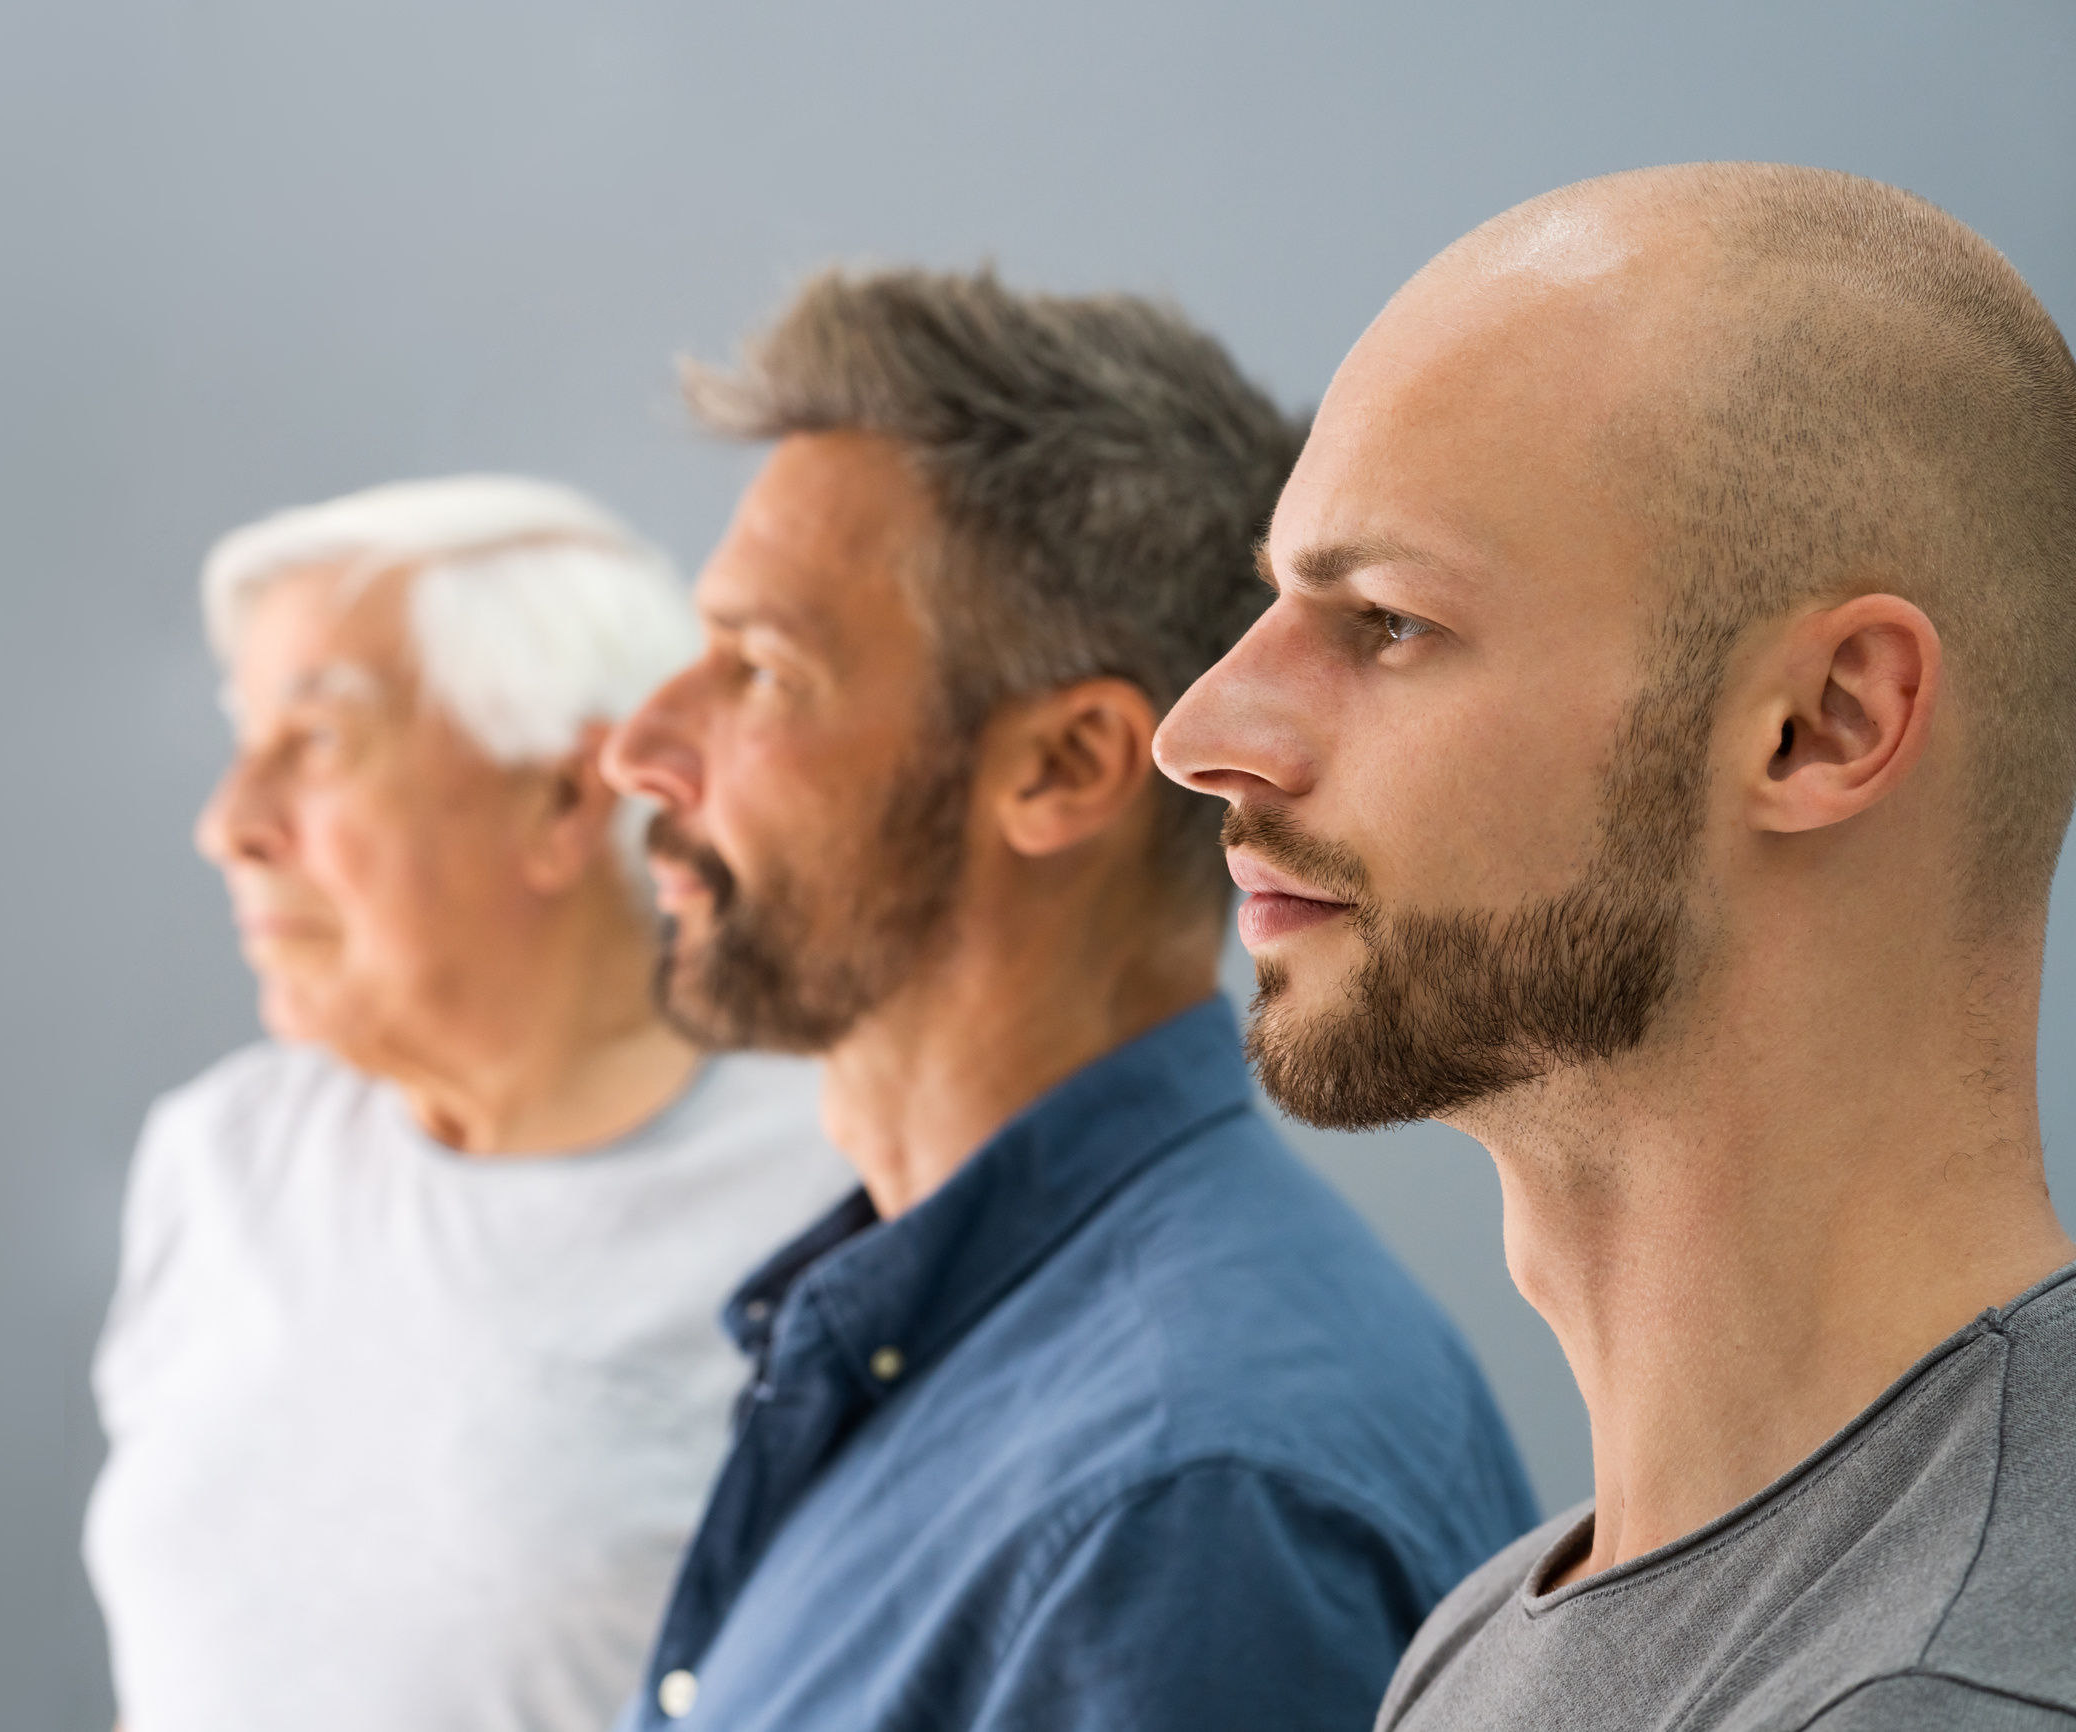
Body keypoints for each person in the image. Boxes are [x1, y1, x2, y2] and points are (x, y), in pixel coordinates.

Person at [1156, 163, 2076, 1731]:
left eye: (1385, 623)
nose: (1199, 732)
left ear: (1820, 725)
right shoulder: (1488, 1636)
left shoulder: (1971, 1691)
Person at [598, 268, 1536, 1732]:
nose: (643, 747)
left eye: (757, 669)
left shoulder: (1188, 1506)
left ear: (1063, 768)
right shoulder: (951, 1353)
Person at [83, 476, 850, 1732]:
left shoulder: (842, 1196)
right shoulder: (222, 1158)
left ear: (565, 799)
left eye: (319, 742)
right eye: (243, 740)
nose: (231, 824)